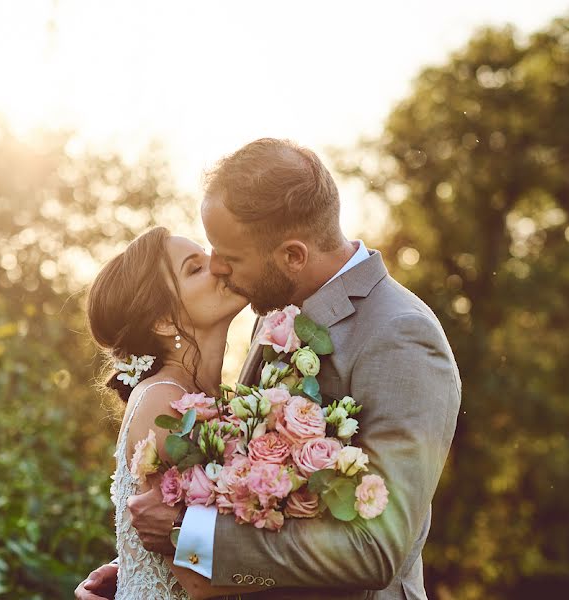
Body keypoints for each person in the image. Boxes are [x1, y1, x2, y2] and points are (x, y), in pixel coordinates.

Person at [78, 138, 461, 600]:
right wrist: (141, 565)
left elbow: (375, 549)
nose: (219, 267)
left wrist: (188, 537)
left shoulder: (400, 337)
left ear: (293, 256)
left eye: (229, 257)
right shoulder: (270, 309)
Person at [83, 226, 269, 599]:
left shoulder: (207, 398)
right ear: (164, 322)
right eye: (195, 268)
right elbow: (202, 582)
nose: (218, 265)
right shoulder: (165, 405)